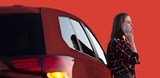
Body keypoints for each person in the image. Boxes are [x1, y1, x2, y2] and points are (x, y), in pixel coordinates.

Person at [106, 13, 140, 78]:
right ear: (121, 25)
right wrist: (131, 40)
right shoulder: (116, 42)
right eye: (128, 22)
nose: (131, 25)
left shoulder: (124, 43)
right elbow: (134, 59)